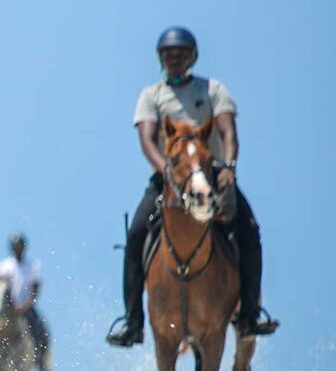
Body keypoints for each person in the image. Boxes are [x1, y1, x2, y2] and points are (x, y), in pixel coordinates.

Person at [107, 26, 276, 347]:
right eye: (168, 55)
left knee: (250, 231)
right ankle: (133, 321)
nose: (174, 59)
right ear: (160, 59)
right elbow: (147, 140)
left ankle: (250, 315)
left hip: (211, 175)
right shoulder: (151, 96)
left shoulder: (213, 90)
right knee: (135, 237)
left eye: (181, 54)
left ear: (193, 57)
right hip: (169, 178)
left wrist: (228, 167)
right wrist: (166, 171)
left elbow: (227, 133)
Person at [0, 233, 48, 366]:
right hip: (7, 309)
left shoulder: (32, 266)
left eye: (20, 246)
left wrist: (25, 306)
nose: (18, 249)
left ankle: (41, 359)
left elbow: (35, 291)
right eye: (15, 247)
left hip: (26, 308)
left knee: (41, 330)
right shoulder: (4, 266)